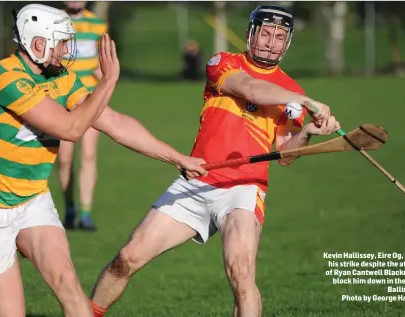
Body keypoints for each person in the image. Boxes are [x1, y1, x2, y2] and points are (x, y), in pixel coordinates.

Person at [0, 4, 205, 317]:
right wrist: (108, 81)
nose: (69, 50)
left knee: (72, 292)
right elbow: (71, 128)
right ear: (38, 44)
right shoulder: (6, 79)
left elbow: (113, 121)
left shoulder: (60, 78)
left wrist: (177, 158)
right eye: (63, 43)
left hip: (32, 202)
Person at [88, 5, 341, 317]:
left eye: (279, 36)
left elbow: (285, 154)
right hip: (197, 179)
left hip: (245, 190)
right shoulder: (223, 62)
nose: (270, 42)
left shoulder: (293, 93)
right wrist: (301, 100)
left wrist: (309, 131)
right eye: (265, 32)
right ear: (251, 33)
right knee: (127, 258)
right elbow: (250, 88)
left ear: (286, 42)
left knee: (241, 272)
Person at [59, 1, 108, 231]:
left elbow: (100, 65)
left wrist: (105, 90)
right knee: (64, 159)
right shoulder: (53, 21)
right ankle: (69, 209)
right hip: (61, 100)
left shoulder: (97, 25)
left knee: (88, 155)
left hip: (89, 100)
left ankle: (86, 215)